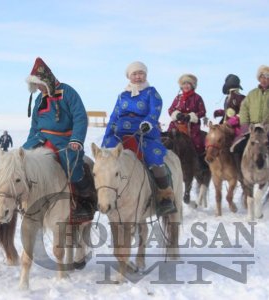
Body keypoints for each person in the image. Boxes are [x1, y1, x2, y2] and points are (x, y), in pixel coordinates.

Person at [24, 57, 95, 220]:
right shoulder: (39, 99)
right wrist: (28, 144)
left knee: (72, 166)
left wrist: (76, 139)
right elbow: (34, 125)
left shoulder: (68, 92)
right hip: (39, 138)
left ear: (47, 80)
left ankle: (85, 200)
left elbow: (80, 117)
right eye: (36, 85)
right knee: (22, 161)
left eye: (40, 84)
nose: (39, 88)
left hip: (64, 140)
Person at [102, 61, 176, 216]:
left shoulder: (151, 92)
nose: (138, 76)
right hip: (120, 131)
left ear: (146, 75)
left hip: (143, 131)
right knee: (105, 160)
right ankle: (103, 195)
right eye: (134, 74)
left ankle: (165, 196)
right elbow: (114, 115)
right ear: (129, 76)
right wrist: (108, 134)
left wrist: (148, 123)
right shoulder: (122, 96)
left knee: (153, 157)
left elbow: (155, 109)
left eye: (141, 73)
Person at [231, 65, 269, 155]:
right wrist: (245, 125)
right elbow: (244, 109)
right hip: (253, 127)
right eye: (262, 77)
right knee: (238, 147)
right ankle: (240, 167)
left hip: (267, 127)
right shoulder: (252, 94)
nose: (264, 80)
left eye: (267, 77)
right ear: (259, 79)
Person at [167, 74, 207, 156]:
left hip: (192, 126)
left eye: (188, 83)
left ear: (192, 85)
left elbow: (202, 111)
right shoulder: (178, 98)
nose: (186, 86)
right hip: (177, 124)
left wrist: (191, 116)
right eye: (184, 84)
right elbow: (171, 109)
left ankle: (200, 161)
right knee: (168, 138)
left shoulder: (197, 98)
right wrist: (176, 115)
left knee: (197, 142)